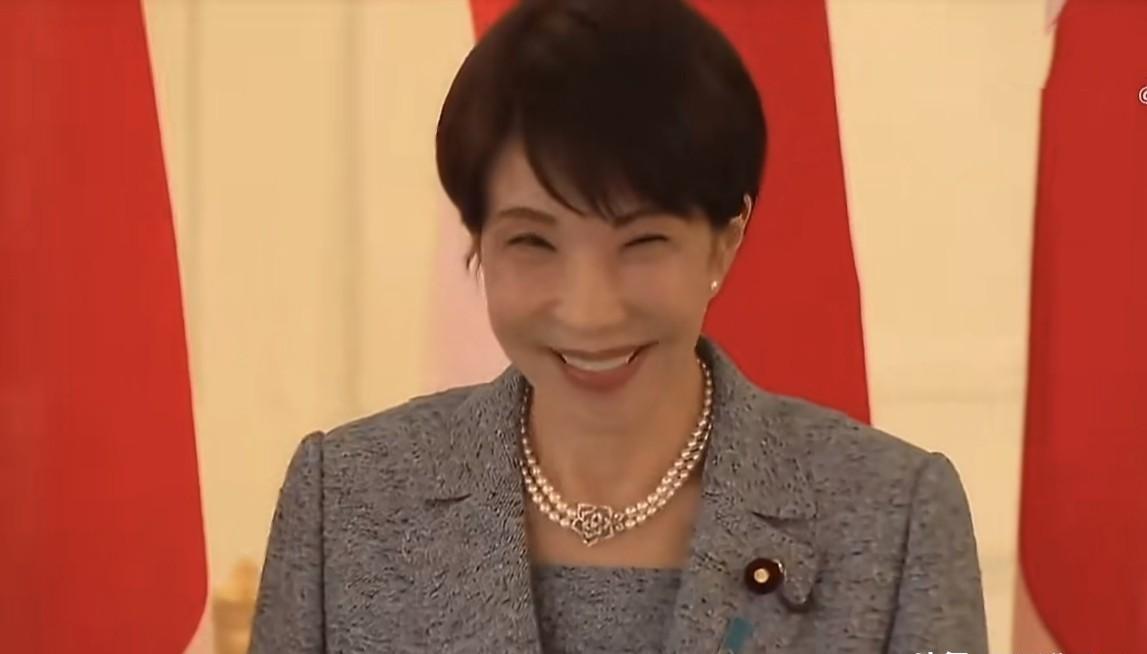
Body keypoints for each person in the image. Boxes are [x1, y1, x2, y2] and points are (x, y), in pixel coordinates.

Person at [249, 0, 988, 652]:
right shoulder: (346, 501)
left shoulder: (894, 517)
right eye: (533, 242)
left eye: (642, 243)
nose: (589, 311)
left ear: (724, 243)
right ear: (478, 241)